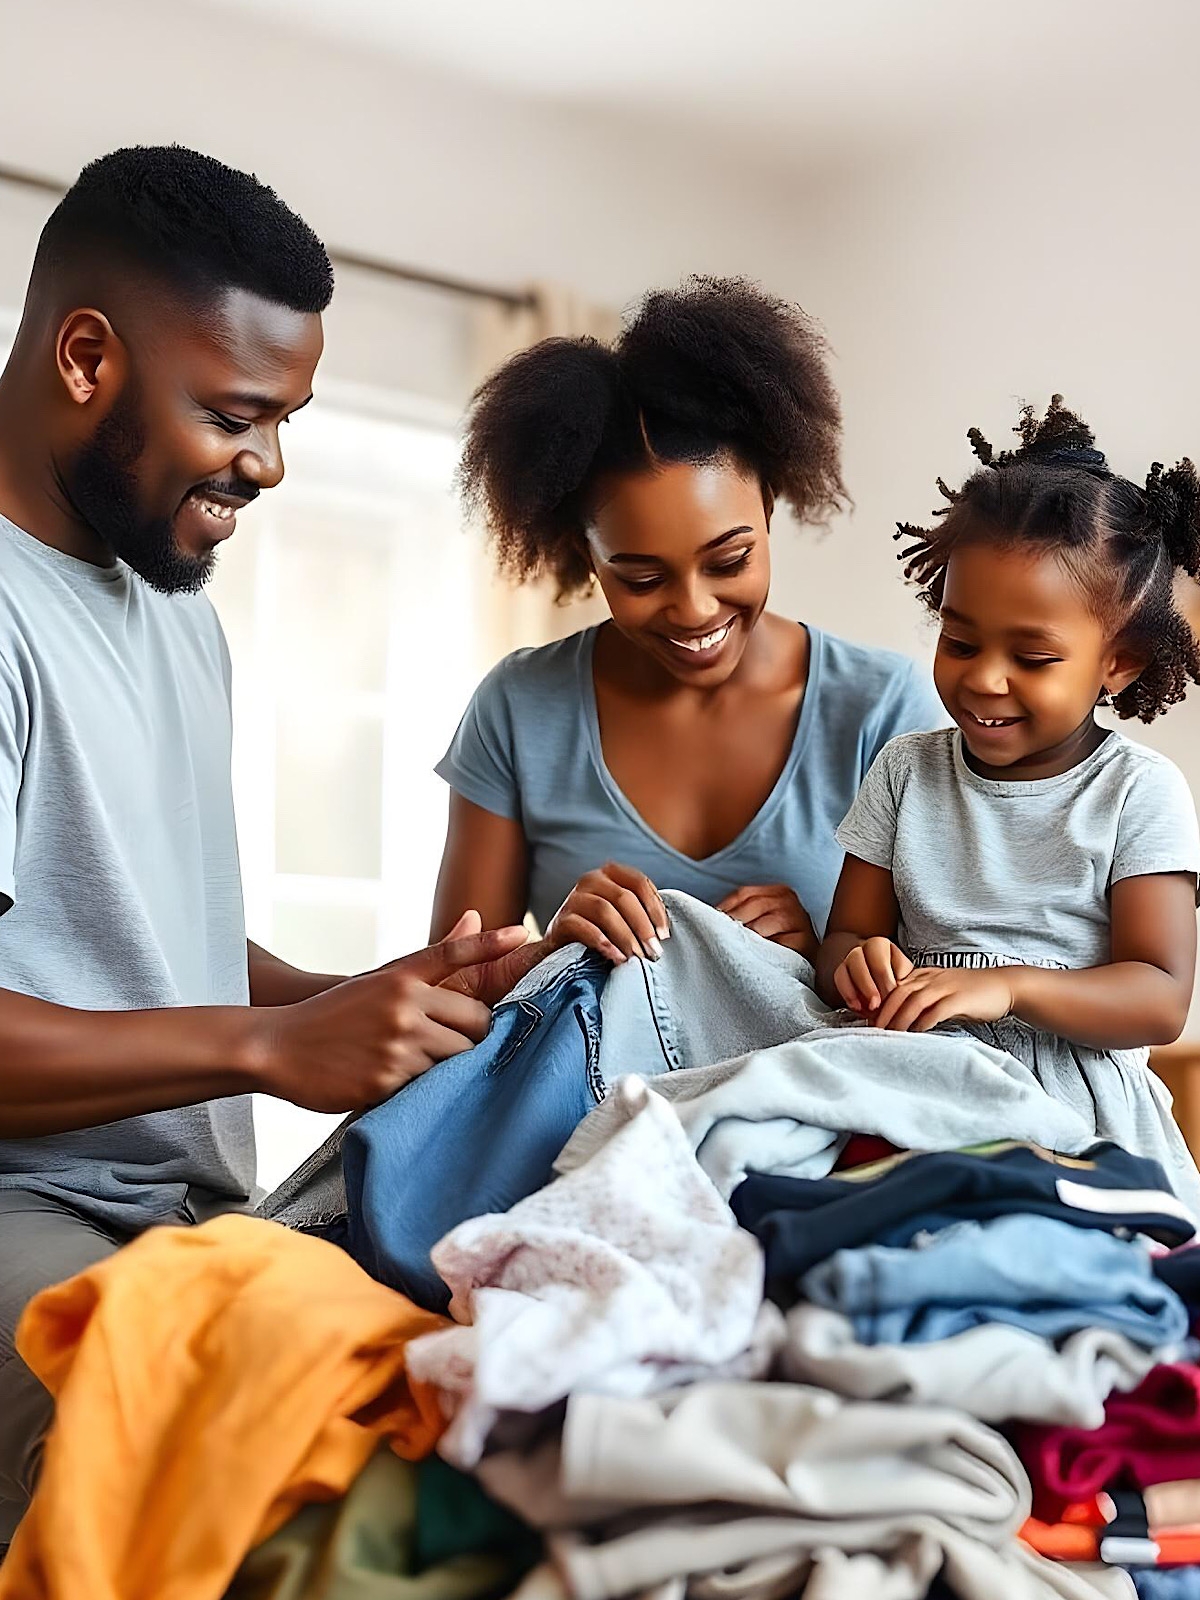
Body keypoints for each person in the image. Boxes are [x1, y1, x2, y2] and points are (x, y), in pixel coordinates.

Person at [0, 146, 534, 1541]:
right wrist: (263, 1052)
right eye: (236, 414)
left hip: (191, 1215)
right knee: (327, 1511)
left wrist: (357, 1000)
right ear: (84, 356)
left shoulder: (176, 611)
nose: (270, 465)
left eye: (286, 419)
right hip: (24, 1219)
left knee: (493, 1413)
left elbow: (132, 935)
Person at [431, 276, 944, 962]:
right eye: (642, 578)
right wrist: (554, 948)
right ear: (584, 554)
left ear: (770, 504)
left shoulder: (882, 712)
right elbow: (450, 986)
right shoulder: (521, 710)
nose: (694, 609)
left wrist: (822, 957)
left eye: (729, 561)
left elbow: (953, 982)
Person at [817, 395, 1200, 1192]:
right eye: (960, 642)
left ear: (1118, 664)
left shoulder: (1139, 793)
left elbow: (1160, 997)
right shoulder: (905, 771)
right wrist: (861, 965)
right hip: (913, 1076)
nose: (984, 677)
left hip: (1072, 1106)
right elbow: (843, 941)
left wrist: (1008, 987)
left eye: (1032, 656)